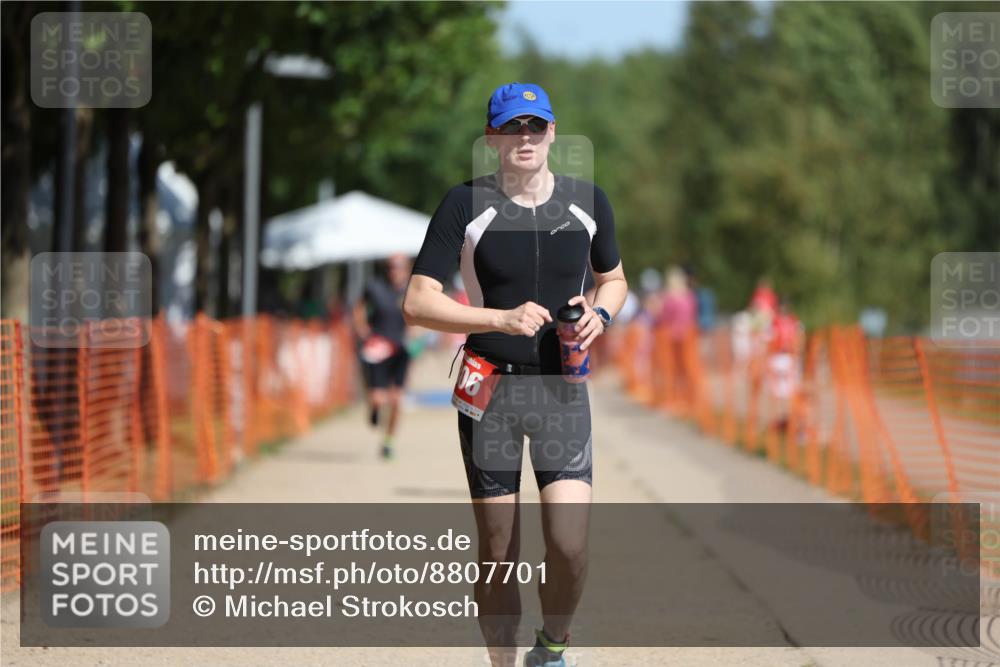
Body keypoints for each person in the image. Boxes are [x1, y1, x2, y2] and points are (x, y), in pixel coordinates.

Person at [402, 82, 627, 667]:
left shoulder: (588, 201)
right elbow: (418, 302)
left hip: (561, 389)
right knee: (499, 550)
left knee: (570, 545)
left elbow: (616, 277)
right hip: (490, 389)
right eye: (511, 127)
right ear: (492, 138)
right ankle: (503, 662)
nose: (524, 137)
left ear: (552, 132)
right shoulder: (464, 205)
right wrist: (497, 317)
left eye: (535, 126)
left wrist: (601, 314)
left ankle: (552, 647)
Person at [352, 253, 413, 459]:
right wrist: (362, 329)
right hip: (377, 349)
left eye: (398, 267)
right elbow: (358, 307)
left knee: (396, 400)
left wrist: (418, 336)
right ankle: (375, 409)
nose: (394, 271)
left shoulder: (411, 290)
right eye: (390, 267)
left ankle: (388, 441)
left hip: (401, 350)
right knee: (378, 399)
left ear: (406, 268)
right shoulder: (375, 287)